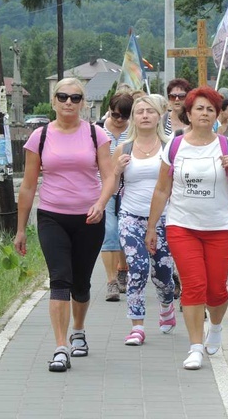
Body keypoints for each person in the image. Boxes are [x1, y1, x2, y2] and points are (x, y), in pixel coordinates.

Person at [15, 78, 115, 372]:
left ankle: (79, 330)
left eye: (75, 97)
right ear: (54, 101)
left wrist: (100, 203)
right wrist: (21, 229)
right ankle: (61, 347)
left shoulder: (97, 135)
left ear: (83, 102)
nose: (68, 102)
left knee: (81, 283)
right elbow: (28, 185)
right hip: (52, 216)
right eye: (62, 97)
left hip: (89, 217)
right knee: (60, 279)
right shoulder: (40, 137)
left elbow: (109, 176)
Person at [145, 86, 228, 370]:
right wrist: (152, 227)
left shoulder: (227, 146)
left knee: (216, 289)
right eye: (199, 108)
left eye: (210, 109)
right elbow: (161, 190)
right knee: (194, 285)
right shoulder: (175, 146)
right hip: (182, 226)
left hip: (219, 227)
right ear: (188, 114)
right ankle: (194, 347)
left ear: (217, 115)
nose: (204, 113)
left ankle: (215, 327)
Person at [113, 96, 176, 346]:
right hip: (130, 216)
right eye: (140, 112)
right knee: (137, 269)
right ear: (133, 118)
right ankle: (137, 326)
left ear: (159, 116)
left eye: (150, 111)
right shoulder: (124, 148)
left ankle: (167, 303)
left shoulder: (169, 146)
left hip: (163, 218)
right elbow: (111, 182)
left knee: (163, 274)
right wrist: (117, 170)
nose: (145, 115)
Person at [99, 92, 133, 302]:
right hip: (104, 188)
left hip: (129, 188)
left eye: (124, 116)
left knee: (124, 232)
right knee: (109, 231)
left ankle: (123, 269)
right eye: (115, 115)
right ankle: (111, 281)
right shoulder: (99, 131)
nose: (119, 120)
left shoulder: (134, 131)